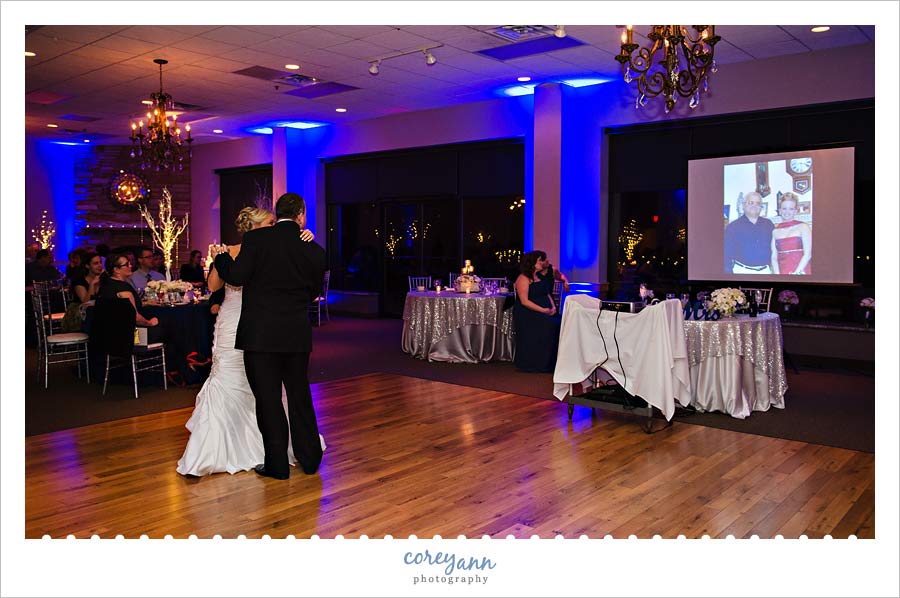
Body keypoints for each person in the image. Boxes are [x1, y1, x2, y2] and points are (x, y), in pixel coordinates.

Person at [177, 208, 320, 476]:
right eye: (269, 223)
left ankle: (274, 452)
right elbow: (214, 287)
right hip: (235, 322)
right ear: (255, 227)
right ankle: (225, 447)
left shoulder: (276, 248)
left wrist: (306, 238)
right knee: (234, 381)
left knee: (270, 392)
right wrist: (218, 260)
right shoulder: (230, 250)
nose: (275, 226)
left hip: (265, 325)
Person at [213, 193, 327, 480]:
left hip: (260, 335)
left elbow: (237, 277)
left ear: (278, 213)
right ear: (301, 214)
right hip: (296, 334)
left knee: (269, 400)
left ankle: (276, 464)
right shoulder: (314, 249)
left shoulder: (257, 240)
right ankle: (310, 458)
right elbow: (314, 293)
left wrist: (222, 258)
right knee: (300, 395)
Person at [513, 250, 568, 373]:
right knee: (547, 325)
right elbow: (524, 301)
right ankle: (537, 364)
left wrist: (553, 307)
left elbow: (546, 293)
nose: (542, 263)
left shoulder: (539, 277)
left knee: (559, 323)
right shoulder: (523, 278)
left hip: (545, 310)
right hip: (528, 312)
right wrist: (543, 310)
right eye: (539, 261)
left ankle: (552, 363)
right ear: (532, 263)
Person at [97, 253, 162, 343]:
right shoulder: (123, 290)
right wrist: (150, 323)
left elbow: (120, 308)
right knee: (168, 326)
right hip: (131, 336)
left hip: (108, 334)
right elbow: (134, 317)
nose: (131, 265)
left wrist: (146, 303)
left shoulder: (107, 284)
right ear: (116, 270)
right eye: (127, 264)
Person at [723, 191, 774, 274]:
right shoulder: (733, 227)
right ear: (743, 205)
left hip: (765, 271)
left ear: (761, 207)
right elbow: (726, 255)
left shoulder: (768, 224)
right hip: (741, 271)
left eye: (758, 203)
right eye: (751, 202)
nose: (754, 206)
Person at [62, 251, 104, 332]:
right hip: (81, 317)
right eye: (96, 263)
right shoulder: (79, 281)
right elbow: (86, 302)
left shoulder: (103, 280)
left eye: (100, 262)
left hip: (99, 313)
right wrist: (92, 284)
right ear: (87, 266)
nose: (100, 266)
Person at [771, 192, 812, 275]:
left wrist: (796, 274)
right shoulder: (775, 231)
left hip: (801, 271)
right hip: (782, 272)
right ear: (780, 210)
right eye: (784, 208)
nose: (787, 212)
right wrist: (778, 275)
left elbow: (808, 254)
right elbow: (774, 257)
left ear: (796, 211)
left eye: (791, 209)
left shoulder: (804, 227)